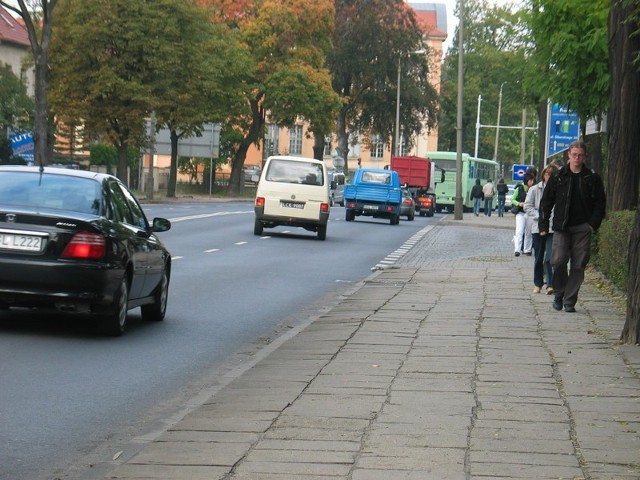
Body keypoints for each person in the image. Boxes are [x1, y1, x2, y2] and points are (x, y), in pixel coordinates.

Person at [539, 141, 606, 313]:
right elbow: (546, 201)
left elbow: (600, 203)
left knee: (578, 265)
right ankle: (559, 293)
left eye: (580, 155)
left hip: (583, 227)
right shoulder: (558, 176)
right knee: (558, 261)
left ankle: (570, 300)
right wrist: (543, 223)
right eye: (574, 154)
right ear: (568, 154)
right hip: (562, 226)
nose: (577, 158)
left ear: (584, 156)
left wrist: (592, 225)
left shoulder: (591, 177)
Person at [525, 164, 558, 294]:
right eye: (547, 174)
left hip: (553, 228)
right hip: (538, 227)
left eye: (551, 174)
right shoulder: (534, 189)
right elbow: (528, 206)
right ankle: (538, 283)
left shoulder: (558, 189)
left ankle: (550, 284)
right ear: (543, 175)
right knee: (538, 257)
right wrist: (540, 215)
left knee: (549, 257)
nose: (549, 176)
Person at [512, 173, 535, 256]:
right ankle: (517, 249)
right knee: (519, 231)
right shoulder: (519, 188)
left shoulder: (533, 189)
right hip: (520, 213)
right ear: (527, 181)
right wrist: (519, 203)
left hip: (529, 213)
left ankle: (527, 249)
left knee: (529, 232)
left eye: (533, 180)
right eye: (531, 180)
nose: (532, 182)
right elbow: (512, 199)